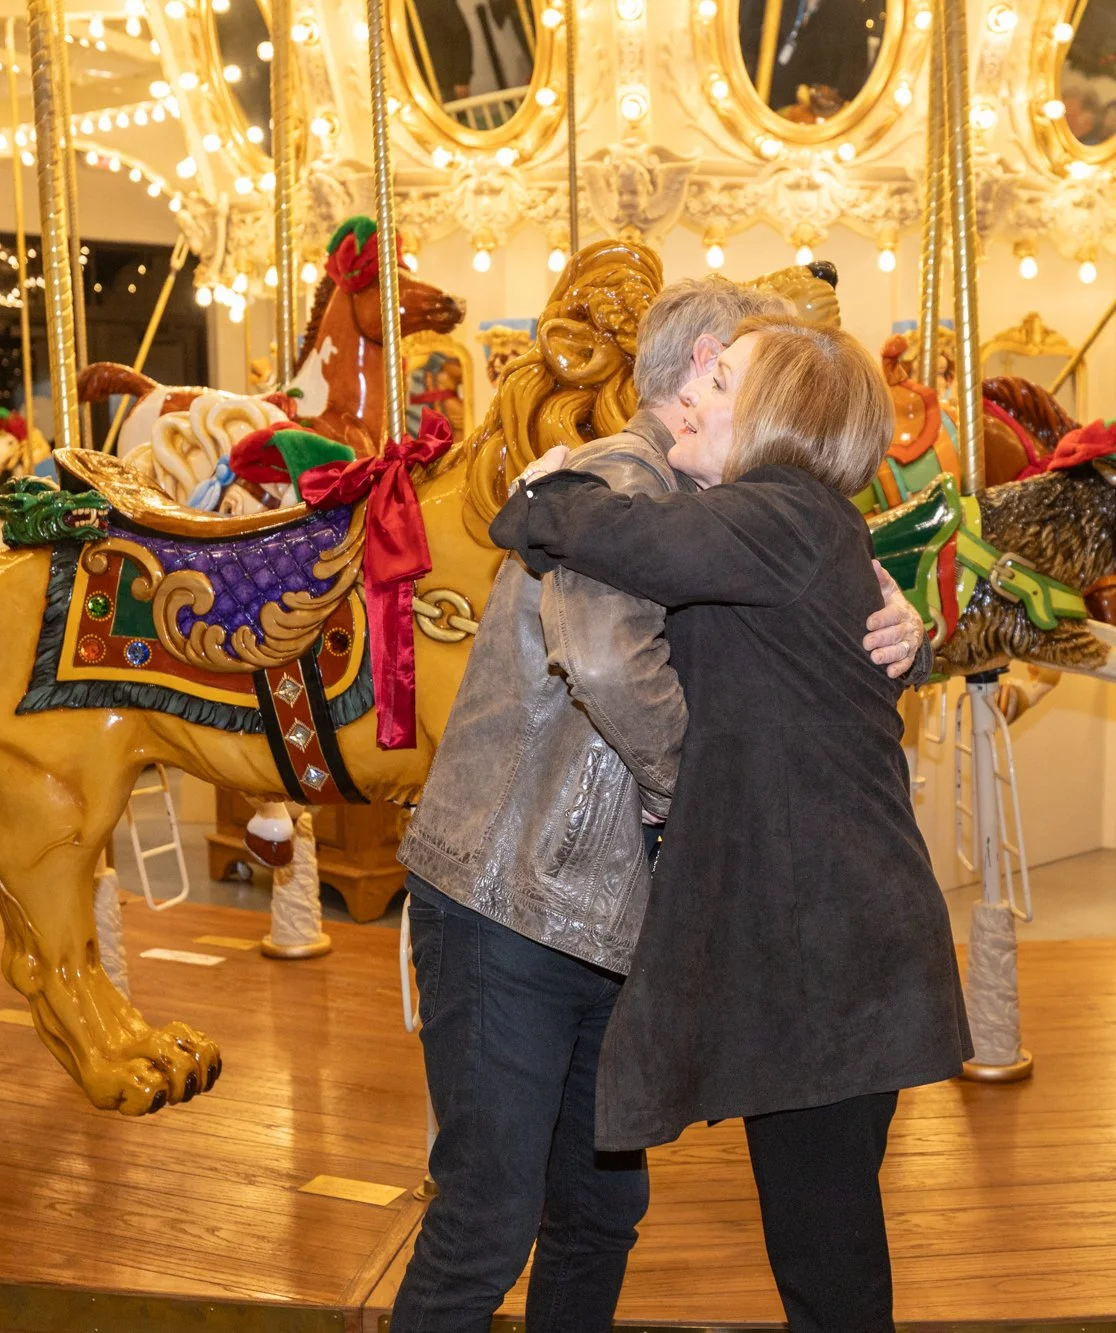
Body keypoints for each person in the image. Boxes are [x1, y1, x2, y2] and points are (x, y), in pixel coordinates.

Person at [389, 278, 927, 1333]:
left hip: (610, 919)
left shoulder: (732, 505)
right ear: (706, 371)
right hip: (518, 894)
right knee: (490, 1217)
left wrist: (898, 628)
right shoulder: (617, 479)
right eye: (747, 371)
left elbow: (803, 647)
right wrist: (698, 794)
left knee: (598, 1209)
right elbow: (599, 650)